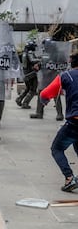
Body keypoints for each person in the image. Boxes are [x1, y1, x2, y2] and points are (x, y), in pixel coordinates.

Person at [40, 52, 78, 192]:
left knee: (57, 148)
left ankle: (69, 178)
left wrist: (44, 102)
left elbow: (45, 94)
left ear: (71, 63)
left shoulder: (66, 76)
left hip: (75, 122)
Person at [16, 40, 39, 109]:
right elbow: (32, 60)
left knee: (28, 88)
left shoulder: (24, 53)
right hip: (31, 73)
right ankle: (25, 103)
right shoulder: (30, 52)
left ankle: (19, 99)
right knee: (33, 89)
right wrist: (40, 59)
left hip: (26, 73)